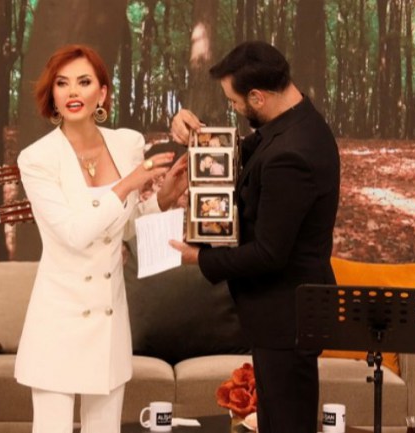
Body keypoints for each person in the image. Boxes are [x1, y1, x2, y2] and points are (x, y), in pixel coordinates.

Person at [14, 44, 188, 433]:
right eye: (62, 83)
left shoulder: (127, 143)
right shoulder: (36, 158)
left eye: (84, 82)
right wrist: (127, 184)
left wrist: (163, 199)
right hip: (58, 319)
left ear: (103, 92)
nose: (73, 92)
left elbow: (122, 227)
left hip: (109, 319)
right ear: (52, 95)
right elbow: (74, 233)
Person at [170, 41, 340, 433]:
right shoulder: (292, 123)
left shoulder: (292, 154)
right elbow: (239, 152)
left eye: (234, 101)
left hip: (286, 315)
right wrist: (188, 130)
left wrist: (199, 258)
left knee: (286, 424)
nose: (233, 109)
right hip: (281, 314)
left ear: (257, 97)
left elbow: (268, 253)